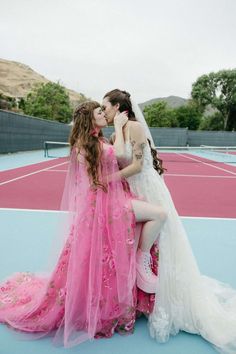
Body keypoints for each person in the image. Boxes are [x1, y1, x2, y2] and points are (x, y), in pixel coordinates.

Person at [0, 101, 167, 347]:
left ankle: (125, 285)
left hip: (108, 202)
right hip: (106, 205)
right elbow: (120, 155)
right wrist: (120, 128)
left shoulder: (95, 142)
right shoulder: (85, 146)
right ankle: (136, 272)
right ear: (89, 119)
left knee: (103, 258)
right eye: (100, 112)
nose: (104, 115)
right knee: (153, 218)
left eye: (104, 110)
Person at [102, 89, 236, 354]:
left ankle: (163, 295)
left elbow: (138, 166)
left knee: (162, 244)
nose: (103, 112)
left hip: (149, 188)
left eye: (105, 107)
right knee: (136, 242)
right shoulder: (115, 133)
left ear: (117, 107)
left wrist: (109, 180)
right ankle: (140, 301)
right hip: (131, 192)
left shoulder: (136, 127)